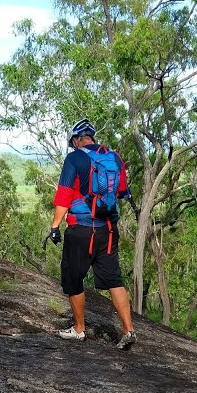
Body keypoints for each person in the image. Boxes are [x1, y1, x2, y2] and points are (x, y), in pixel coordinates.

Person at [47, 118, 137, 349]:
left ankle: (79, 330)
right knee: (113, 279)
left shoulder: (74, 158)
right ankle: (128, 330)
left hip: (81, 230)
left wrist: (55, 226)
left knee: (73, 279)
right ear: (92, 136)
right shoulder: (115, 157)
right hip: (107, 230)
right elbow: (122, 191)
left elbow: (64, 196)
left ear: (76, 140)